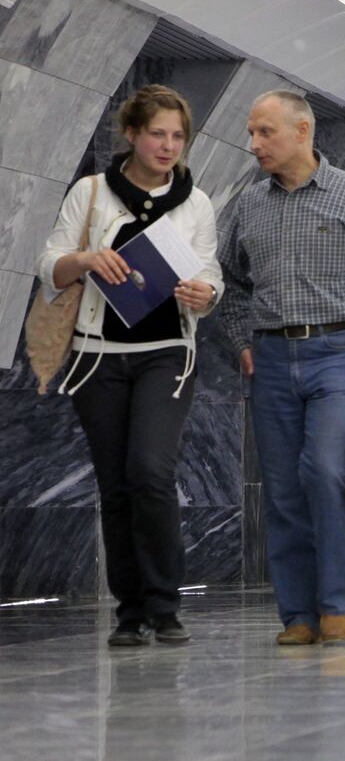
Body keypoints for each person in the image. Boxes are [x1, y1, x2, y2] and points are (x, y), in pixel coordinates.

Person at [36, 85, 222, 646]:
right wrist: (86, 258)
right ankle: (130, 611)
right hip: (98, 358)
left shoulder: (196, 202)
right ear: (133, 135)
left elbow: (211, 273)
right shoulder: (91, 193)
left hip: (167, 356)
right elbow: (50, 264)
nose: (168, 146)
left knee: (150, 471)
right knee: (116, 485)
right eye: (157, 134)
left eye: (177, 136)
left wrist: (203, 294)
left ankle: (165, 606)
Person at [218, 90, 345, 645]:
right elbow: (230, 283)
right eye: (251, 133)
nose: (254, 145)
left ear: (303, 131)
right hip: (272, 358)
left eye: (264, 132)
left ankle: (336, 604)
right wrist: (240, 341)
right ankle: (297, 616)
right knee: (281, 490)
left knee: (326, 471)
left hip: (341, 354)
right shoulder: (249, 205)